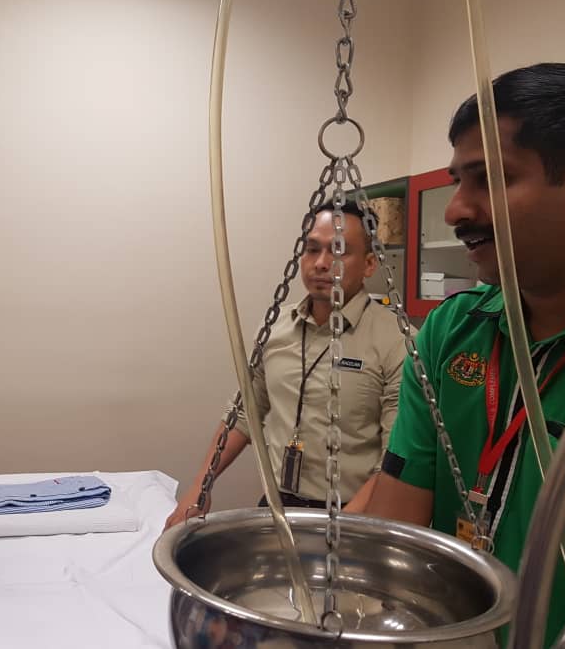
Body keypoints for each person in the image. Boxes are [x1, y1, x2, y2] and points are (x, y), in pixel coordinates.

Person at [365, 62, 565, 645]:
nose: (455, 210)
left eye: (490, 179)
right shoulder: (450, 331)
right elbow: (393, 538)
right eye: (457, 181)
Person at [165, 202, 406, 528]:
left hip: (353, 516)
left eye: (338, 251)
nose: (321, 263)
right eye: (312, 249)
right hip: (276, 508)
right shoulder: (276, 328)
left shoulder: (396, 341)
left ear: (369, 264)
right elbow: (243, 414)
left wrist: (343, 529)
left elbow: (395, 456)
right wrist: (201, 485)